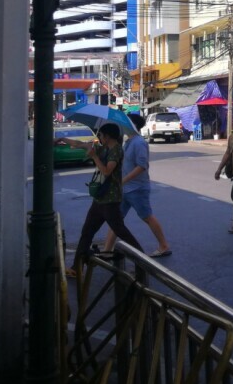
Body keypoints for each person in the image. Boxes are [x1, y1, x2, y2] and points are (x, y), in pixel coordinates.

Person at [61, 123, 142, 276]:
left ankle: (142, 260)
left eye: (101, 135)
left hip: (110, 200)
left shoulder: (116, 150)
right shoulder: (104, 148)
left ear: (108, 136)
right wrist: (63, 139)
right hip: (100, 199)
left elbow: (106, 171)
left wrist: (93, 157)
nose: (99, 138)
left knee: (121, 231)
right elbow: (81, 144)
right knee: (87, 232)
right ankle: (76, 267)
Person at [102, 113, 171, 258]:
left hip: (137, 188)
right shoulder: (128, 142)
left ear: (131, 125)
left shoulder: (139, 142)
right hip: (125, 189)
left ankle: (164, 246)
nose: (122, 125)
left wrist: (124, 180)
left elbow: (142, 166)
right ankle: (107, 250)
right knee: (116, 219)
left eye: (125, 123)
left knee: (147, 217)